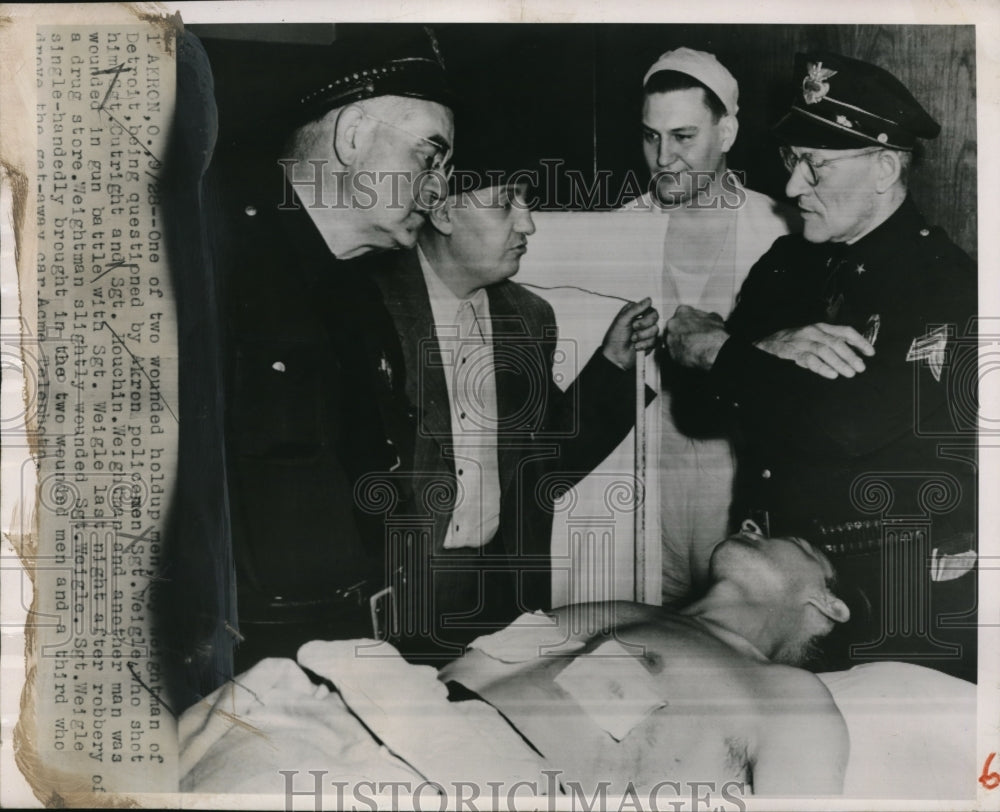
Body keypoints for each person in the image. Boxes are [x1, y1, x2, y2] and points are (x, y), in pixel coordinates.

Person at [664, 51, 977, 681]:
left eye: (817, 165)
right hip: (770, 588)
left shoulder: (947, 285)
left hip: (890, 597)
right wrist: (765, 350)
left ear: (887, 168)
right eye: (792, 160)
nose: (792, 186)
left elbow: (851, 425)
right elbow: (698, 408)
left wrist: (726, 351)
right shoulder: (785, 264)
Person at [186, 31, 459, 685]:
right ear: (354, 135)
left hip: (334, 668)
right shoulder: (203, 258)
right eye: (431, 156)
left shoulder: (358, 295)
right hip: (232, 685)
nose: (440, 194)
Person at [374, 139, 660, 660]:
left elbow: (546, 465)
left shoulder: (527, 318)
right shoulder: (368, 311)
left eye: (524, 200)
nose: (528, 224)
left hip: (501, 598)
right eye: (506, 201)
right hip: (397, 605)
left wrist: (613, 366)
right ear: (440, 211)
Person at [440, 527, 851, 796]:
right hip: (409, 737)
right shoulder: (625, 613)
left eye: (799, 545)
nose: (751, 528)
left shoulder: (787, 693)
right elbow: (473, 667)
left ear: (829, 605)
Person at [622, 48, 799, 605]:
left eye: (683, 137)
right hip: (649, 487)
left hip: (742, 483)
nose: (664, 158)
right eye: (651, 137)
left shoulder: (783, 231)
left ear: (727, 133)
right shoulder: (614, 233)